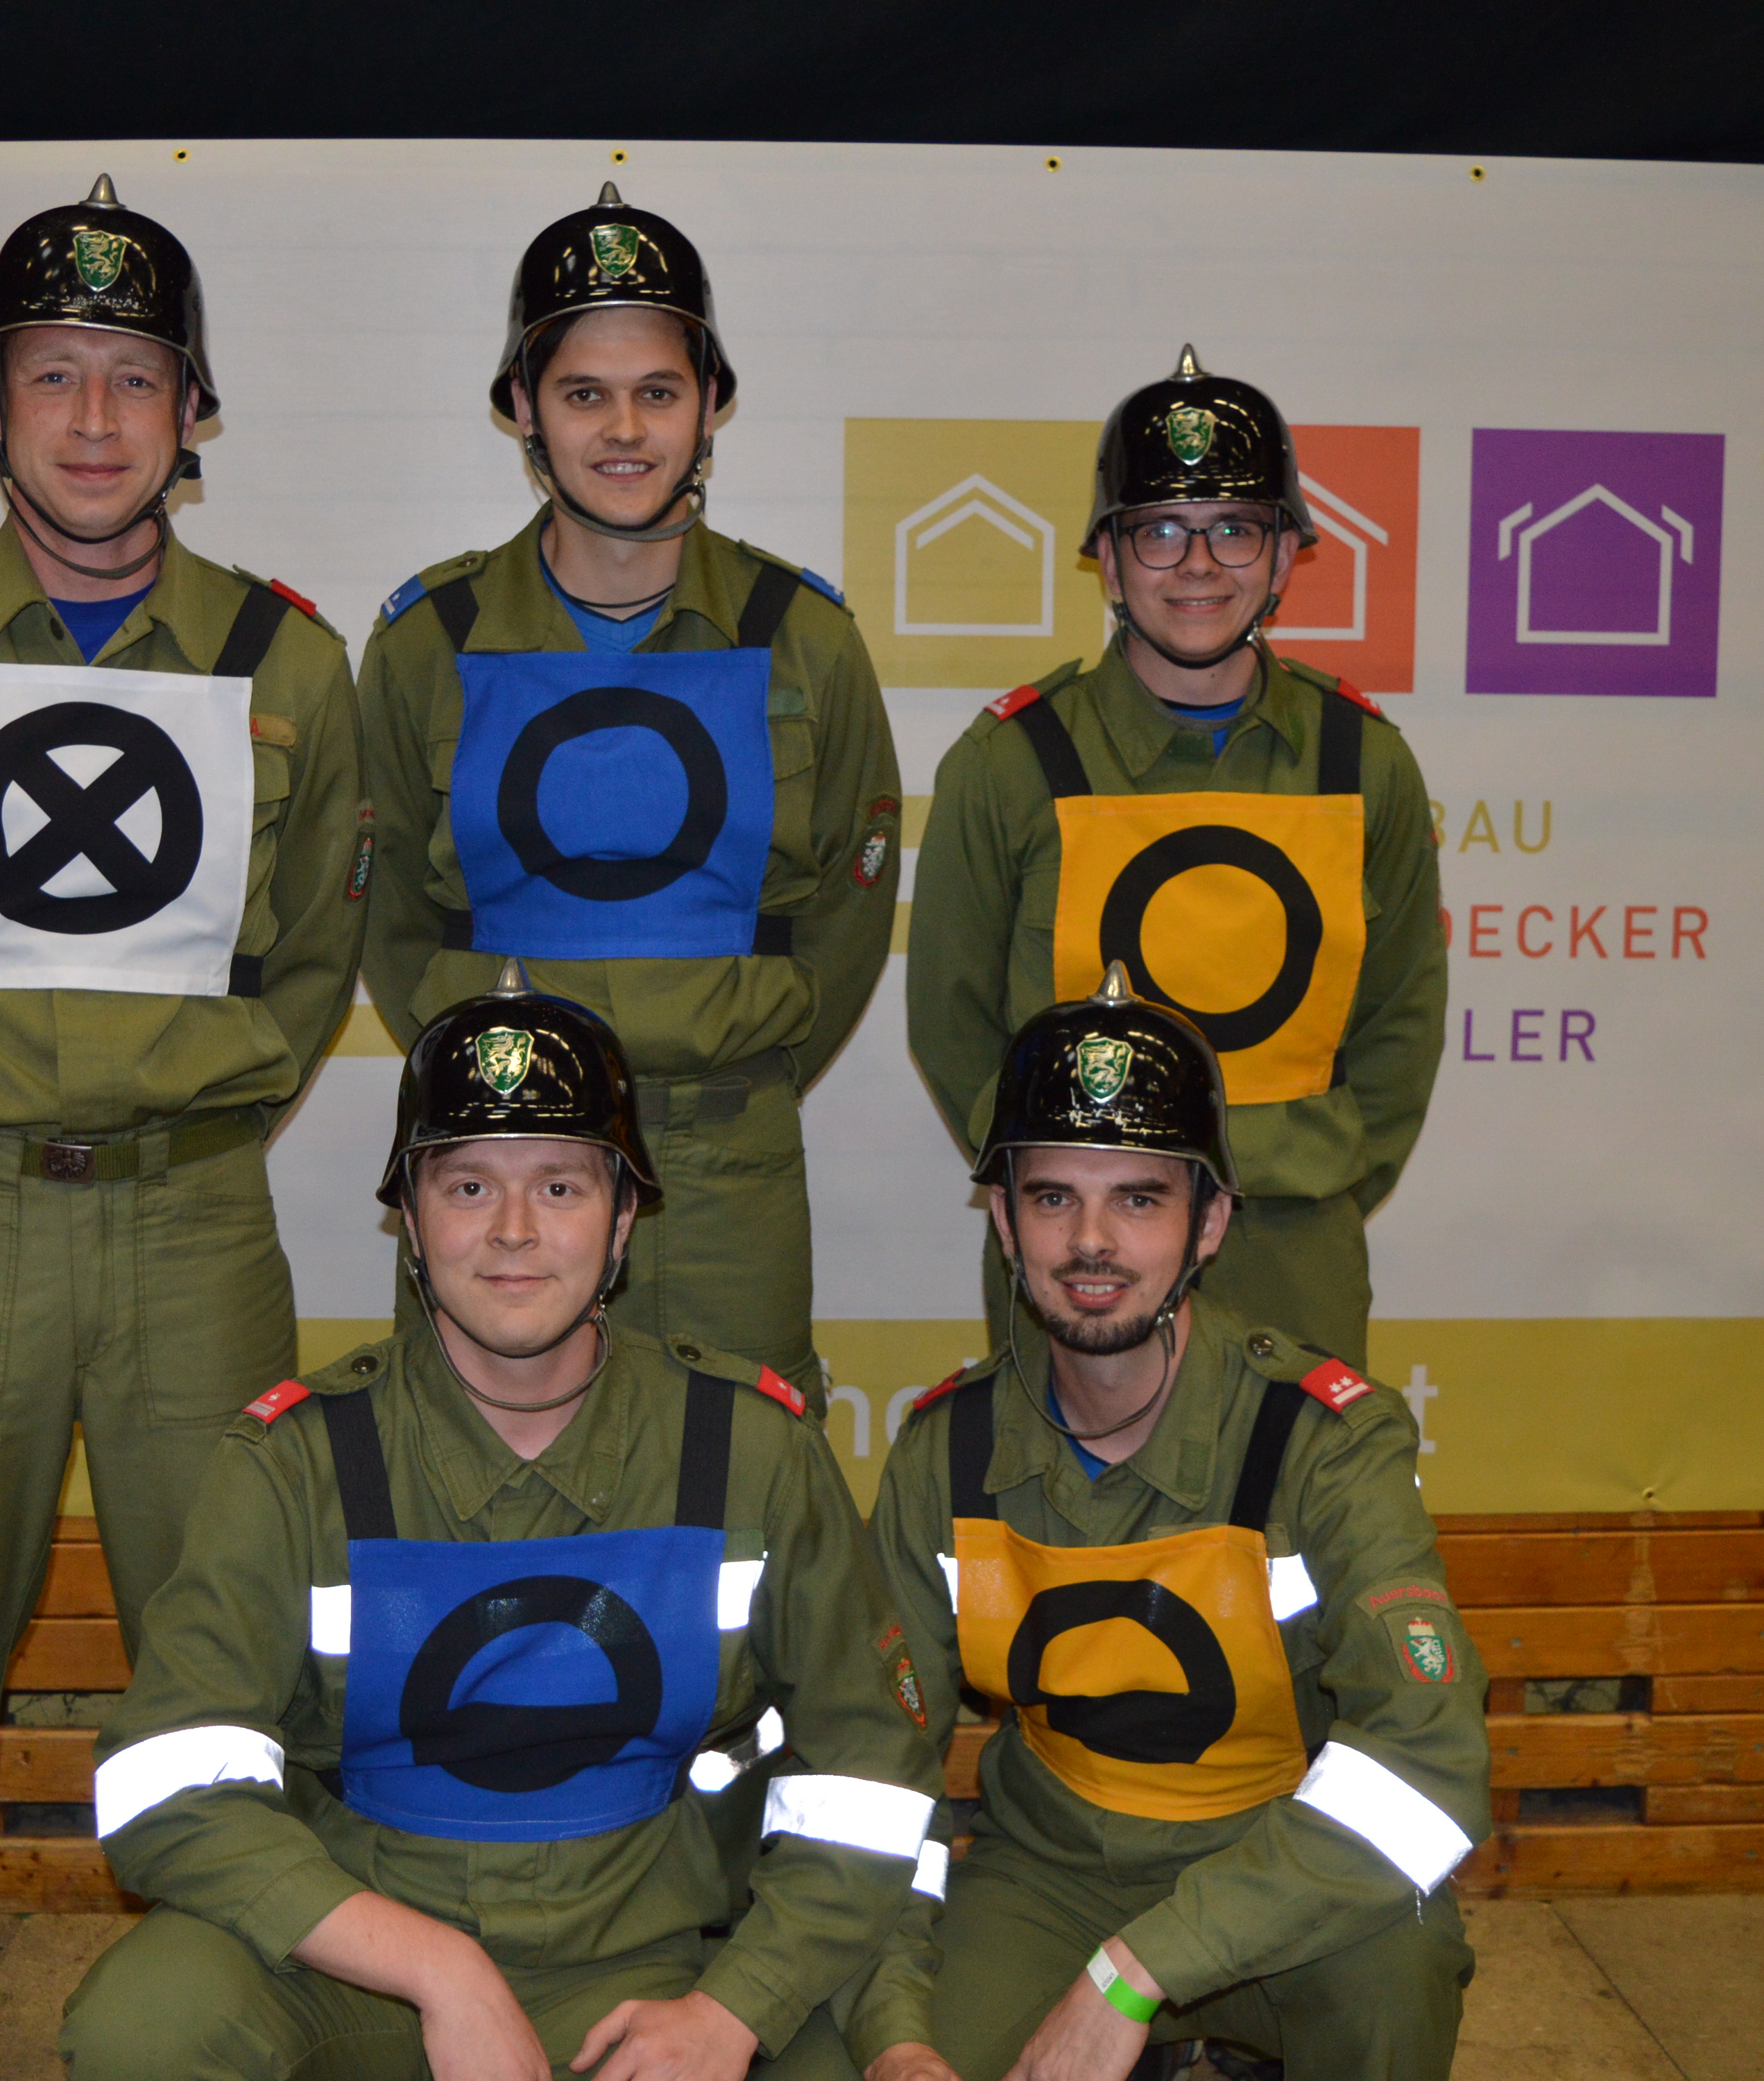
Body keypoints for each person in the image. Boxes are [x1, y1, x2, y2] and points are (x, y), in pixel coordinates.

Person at [0, 173, 365, 2080]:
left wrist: (174, 1100)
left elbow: (314, 960)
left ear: (194, 413)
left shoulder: (287, 664)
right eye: (53, 373)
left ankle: (224, 2041)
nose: (94, 420)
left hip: (198, 1225)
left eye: (136, 376)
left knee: (232, 1676)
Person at [60, 964, 940, 2081]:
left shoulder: (749, 1450)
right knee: (146, 2027)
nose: (514, 1233)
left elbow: (869, 1774)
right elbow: (165, 1784)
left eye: (561, 1188)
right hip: (365, 1967)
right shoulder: (300, 1464)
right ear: (411, 1222)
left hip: (658, 1972)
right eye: (469, 1186)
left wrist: (737, 2007)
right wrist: (440, 1970)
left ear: (624, 1221)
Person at [846, 967, 1486, 2081]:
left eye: (1140, 1199)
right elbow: (868, 1771)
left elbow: (1425, 1766)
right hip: (1046, 1877)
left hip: (1278, 1869)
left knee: (1399, 1973)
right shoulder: (944, 1452)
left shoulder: (1322, 1443)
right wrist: (895, 2032)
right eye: (1054, 1198)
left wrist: (1137, 1971)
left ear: (1211, 1224)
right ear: (1004, 1221)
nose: (1092, 1242)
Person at [358, 182, 903, 1395]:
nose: (624, 430)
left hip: (731, 1166)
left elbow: (849, 914)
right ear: (522, 408)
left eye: (658, 392)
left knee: (741, 1478)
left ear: (711, 404)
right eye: (582, 393)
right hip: (495, 1155)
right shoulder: (427, 640)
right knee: (472, 1475)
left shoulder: (803, 637)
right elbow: (387, 910)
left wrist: (728, 1067)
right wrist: (496, 1084)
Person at [905, 345, 1445, 1365]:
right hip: (1079, 1256)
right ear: (1108, 562)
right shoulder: (1012, 764)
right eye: (1158, 531)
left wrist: (1305, 1179)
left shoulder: (1362, 762)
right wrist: (1060, 1191)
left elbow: (1400, 1024)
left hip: (1294, 1242)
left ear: (1284, 558)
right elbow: (953, 1022)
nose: (1198, 565)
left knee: (1293, 1473)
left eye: (1234, 529)